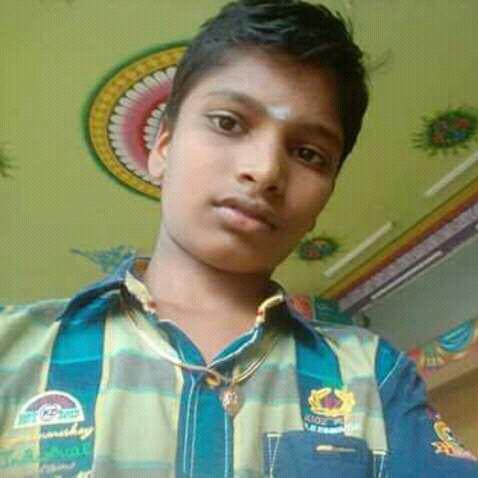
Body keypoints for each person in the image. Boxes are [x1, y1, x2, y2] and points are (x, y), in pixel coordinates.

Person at [1, 1, 477, 477]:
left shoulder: (372, 374)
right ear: (163, 146)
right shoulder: (12, 349)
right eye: (228, 122)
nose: (265, 170)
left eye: (308, 153)